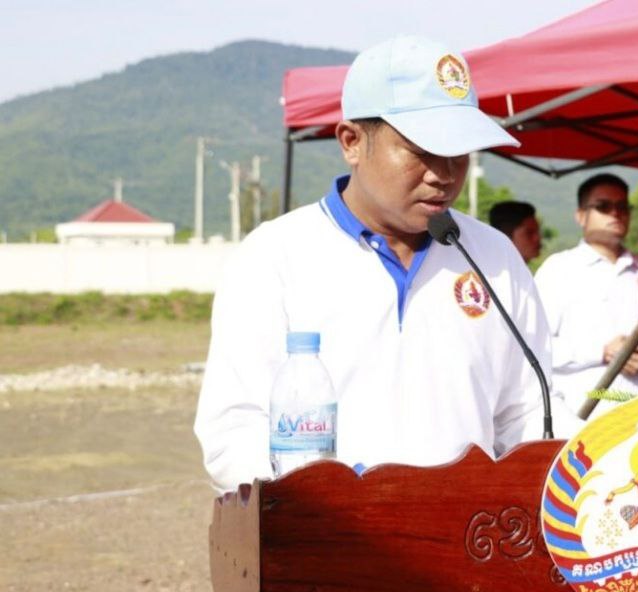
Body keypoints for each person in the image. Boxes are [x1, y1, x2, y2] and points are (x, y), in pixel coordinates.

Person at [194, 35, 563, 496]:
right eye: (422, 150)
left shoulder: (494, 257)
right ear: (351, 142)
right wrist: (326, 503)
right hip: (327, 530)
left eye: (459, 153)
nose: (444, 174)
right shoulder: (275, 256)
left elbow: (526, 412)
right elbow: (234, 427)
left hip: (470, 532)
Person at [533, 173, 638, 415]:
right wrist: (601, 351)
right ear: (581, 216)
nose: (615, 213)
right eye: (603, 206)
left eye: (622, 207)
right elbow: (536, 344)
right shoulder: (559, 268)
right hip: (577, 415)